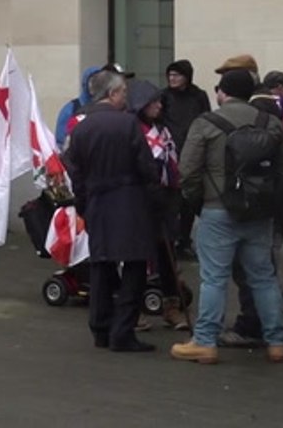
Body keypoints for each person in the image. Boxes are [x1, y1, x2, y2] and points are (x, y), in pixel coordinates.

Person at [172, 70, 283, 365]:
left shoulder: (206, 123)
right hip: (259, 213)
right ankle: (277, 342)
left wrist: (200, 202)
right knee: (263, 277)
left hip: (217, 210)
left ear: (222, 92)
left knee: (214, 278)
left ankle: (205, 341)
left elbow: (187, 171)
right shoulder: (271, 122)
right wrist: (270, 202)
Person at [62, 71, 159, 353]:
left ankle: (100, 328)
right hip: (130, 202)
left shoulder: (80, 127)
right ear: (113, 94)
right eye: (124, 94)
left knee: (101, 266)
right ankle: (123, 331)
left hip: (97, 203)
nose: (125, 99)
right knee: (134, 267)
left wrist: (83, 204)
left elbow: (74, 171)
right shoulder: (128, 124)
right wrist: (156, 200)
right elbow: (146, 167)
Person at [126, 80, 189, 332]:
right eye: (154, 101)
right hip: (141, 203)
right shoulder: (132, 130)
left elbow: (173, 160)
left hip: (166, 200)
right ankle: (134, 311)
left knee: (167, 256)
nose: (159, 105)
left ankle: (171, 307)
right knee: (139, 259)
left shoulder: (163, 130)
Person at [161, 59, 212, 260]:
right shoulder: (164, 96)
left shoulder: (198, 96)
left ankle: (184, 241)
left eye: (177, 75)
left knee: (189, 202)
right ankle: (171, 241)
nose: (172, 79)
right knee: (172, 202)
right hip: (171, 154)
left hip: (193, 153)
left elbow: (206, 120)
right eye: (170, 75)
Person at [54, 66, 103, 147]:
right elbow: (60, 141)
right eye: (93, 81)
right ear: (85, 83)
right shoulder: (71, 109)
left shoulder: (108, 108)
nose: (96, 85)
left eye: (100, 82)